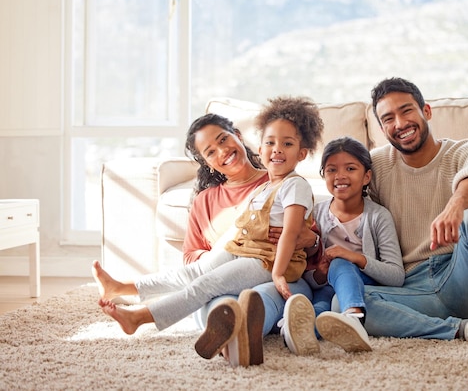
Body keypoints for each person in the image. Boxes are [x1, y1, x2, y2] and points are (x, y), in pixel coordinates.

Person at [92, 95, 324, 365]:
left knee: (247, 297)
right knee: (212, 293)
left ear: (238, 136)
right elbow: (191, 259)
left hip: (276, 272)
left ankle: (229, 335)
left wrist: (312, 241)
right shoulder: (213, 199)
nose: (222, 151)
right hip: (235, 265)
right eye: (210, 152)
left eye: (223, 139)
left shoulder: (282, 182)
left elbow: (308, 235)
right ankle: (124, 288)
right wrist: (222, 265)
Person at [361, 77, 468, 361]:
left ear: (426, 111)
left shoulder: (464, 150)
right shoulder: (377, 165)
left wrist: (456, 203)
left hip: (461, 276)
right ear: (382, 129)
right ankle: (466, 329)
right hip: (412, 289)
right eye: (388, 118)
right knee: (348, 303)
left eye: (407, 111)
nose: (400, 123)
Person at [279, 137, 405, 355]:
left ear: (367, 176)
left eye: (350, 168)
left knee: (341, 264)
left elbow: (396, 276)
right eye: (331, 170)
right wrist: (319, 274)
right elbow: (308, 276)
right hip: (326, 287)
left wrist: (352, 257)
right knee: (319, 308)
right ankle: (298, 334)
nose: (340, 176)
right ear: (323, 176)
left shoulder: (378, 216)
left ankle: (354, 317)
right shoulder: (314, 214)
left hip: (362, 284)